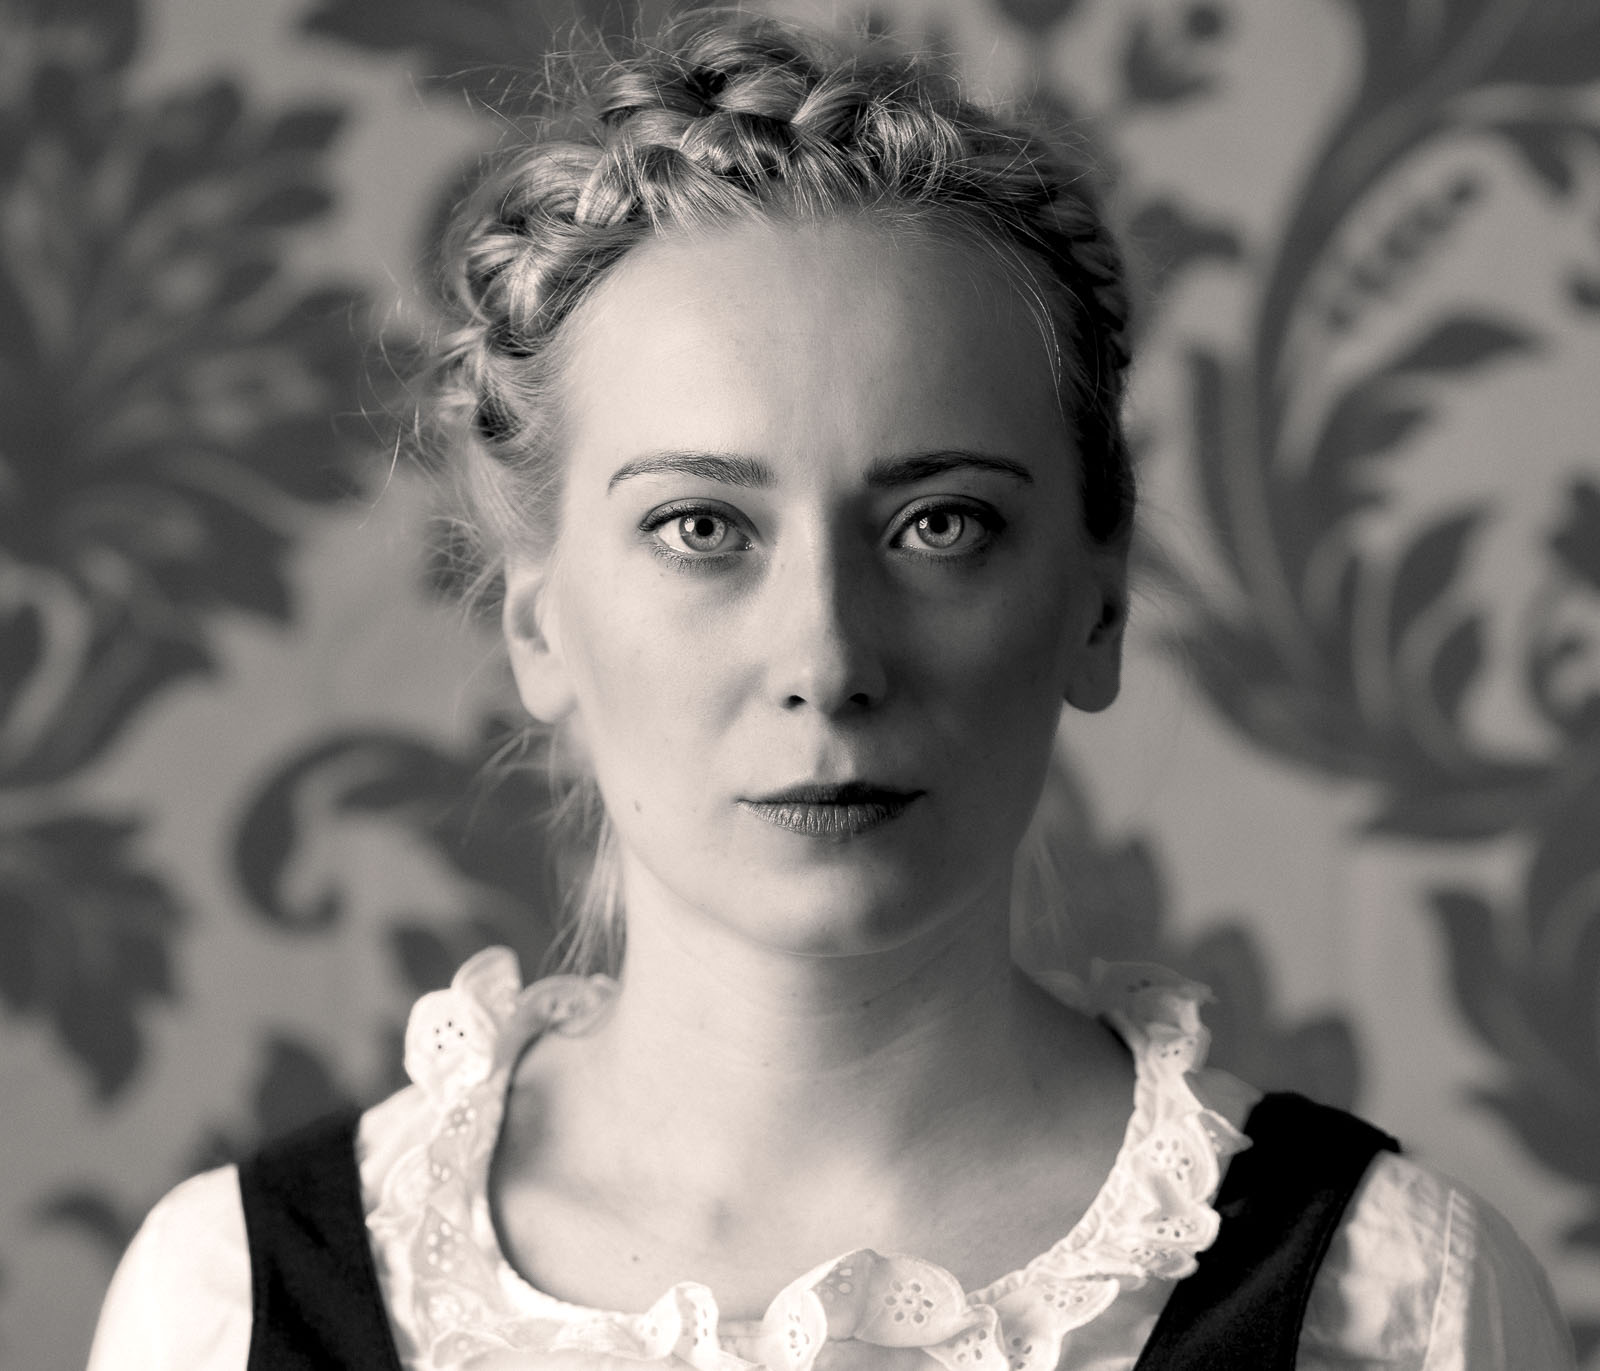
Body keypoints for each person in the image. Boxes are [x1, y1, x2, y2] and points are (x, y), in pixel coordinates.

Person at [87, 11, 1575, 1370]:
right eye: (701, 529)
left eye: (941, 525)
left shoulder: (1390, 1303)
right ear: (540, 626)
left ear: (1100, 603)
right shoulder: (229, 1301)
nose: (827, 662)